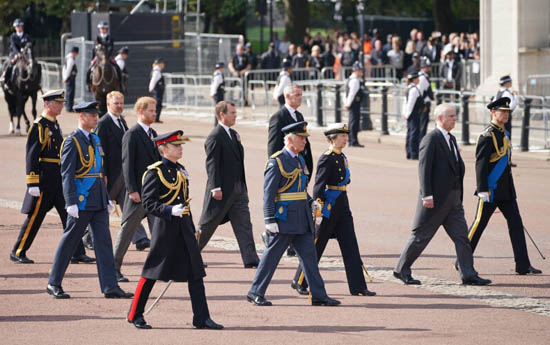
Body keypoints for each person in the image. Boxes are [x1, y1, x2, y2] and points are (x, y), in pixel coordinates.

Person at [126, 131, 223, 330]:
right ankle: (135, 314)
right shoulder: (155, 172)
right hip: (166, 228)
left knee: (196, 273)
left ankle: (202, 317)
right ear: (163, 149)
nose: (180, 148)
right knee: (152, 271)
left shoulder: (181, 169)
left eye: (180, 145)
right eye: (176, 146)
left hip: (184, 228)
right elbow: (149, 203)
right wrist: (169, 210)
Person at [393, 104, 492, 286]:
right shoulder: (431, 139)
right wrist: (427, 195)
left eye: (455, 116)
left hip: (453, 200)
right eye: (451, 116)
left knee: (462, 237)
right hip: (436, 200)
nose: (455, 119)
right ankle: (401, 269)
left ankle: (468, 274)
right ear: (440, 118)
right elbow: (424, 169)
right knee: (421, 237)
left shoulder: (451, 139)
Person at [247, 122, 341, 307]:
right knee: (271, 258)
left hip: (302, 218)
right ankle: (255, 291)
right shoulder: (277, 161)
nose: (305, 142)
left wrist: (310, 201)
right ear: (290, 139)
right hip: (284, 219)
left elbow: (299, 188)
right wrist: (269, 219)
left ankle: (319, 295)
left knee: (310, 259)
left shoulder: (300, 160)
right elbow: (269, 193)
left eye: (305, 138)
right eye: (301, 138)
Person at [47, 101, 133, 299]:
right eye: (91, 115)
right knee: (69, 242)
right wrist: (70, 202)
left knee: (104, 244)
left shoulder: (94, 139)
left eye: (96, 115)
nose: (96, 118)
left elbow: (98, 170)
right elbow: (67, 174)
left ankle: (110, 286)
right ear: (81, 117)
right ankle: (53, 282)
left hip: (98, 199)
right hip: (81, 200)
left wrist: (106, 196)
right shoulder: (72, 141)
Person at [292, 123, 376, 297]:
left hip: (342, 206)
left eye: (346, 136)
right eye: (342, 136)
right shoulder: (327, 157)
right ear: (332, 138)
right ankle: (300, 280)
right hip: (328, 207)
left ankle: (358, 286)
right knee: (317, 245)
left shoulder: (342, 156)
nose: (345, 139)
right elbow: (319, 186)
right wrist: (318, 208)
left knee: (351, 245)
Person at [10, 90, 93, 264]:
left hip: (58, 177)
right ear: (47, 104)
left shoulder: (54, 124)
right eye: (58, 102)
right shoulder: (39, 125)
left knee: (70, 216)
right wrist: (32, 181)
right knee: (35, 217)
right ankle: (18, 251)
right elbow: (32, 155)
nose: (61, 105)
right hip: (45, 179)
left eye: (62, 102)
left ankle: (76, 251)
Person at [466, 97, 542, 275]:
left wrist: (510, 190)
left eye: (508, 112)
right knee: (478, 225)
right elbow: (481, 165)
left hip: (506, 190)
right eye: (502, 111)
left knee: (516, 225)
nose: (506, 114)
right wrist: (482, 189)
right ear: (493, 112)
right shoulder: (486, 136)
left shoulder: (504, 134)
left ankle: (522, 265)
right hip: (491, 190)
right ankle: (462, 260)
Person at [197, 101, 260, 267]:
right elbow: (212, 164)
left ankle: (251, 259)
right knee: (207, 224)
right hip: (221, 190)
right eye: (232, 112)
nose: (235, 115)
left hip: (238, 189)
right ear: (222, 114)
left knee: (244, 224)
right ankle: (190, 255)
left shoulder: (234, 134)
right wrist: (215, 187)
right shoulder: (215, 136)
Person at [91, 91, 150, 260]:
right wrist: (103, 174)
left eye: (122, 103)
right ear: (108, 104)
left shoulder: (122, 121)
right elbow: (99, 150)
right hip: (110, 173)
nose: (119, 106)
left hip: (123, 173)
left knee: (130, 206)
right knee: (101, 207)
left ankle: (140, 238)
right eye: (116, 103)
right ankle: (88, 236)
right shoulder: (103, 123)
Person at [113, 97, 161, 282]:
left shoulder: (153, 133)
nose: (154, 113)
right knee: (127, 232)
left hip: (152, 193)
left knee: (158, 231)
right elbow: (127, 164)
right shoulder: (132, 134)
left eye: (155, 110)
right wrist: (132, 190)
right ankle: (114, 268)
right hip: (137, 194)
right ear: (140, 112)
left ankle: (157, 269)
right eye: (151, 110)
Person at [267, 83, 313, 257]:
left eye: (301, 94)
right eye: (297, 95)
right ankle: (273, 235)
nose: (300, 98)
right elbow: (272, 148)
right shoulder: (278, 117)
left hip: (299, 168)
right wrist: (278, 172)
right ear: (287, 96)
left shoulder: (299, 115)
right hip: (285, 172)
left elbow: (305, 145)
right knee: (287, 207)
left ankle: (294, 242)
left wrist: (307, 167)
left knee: (299, 205)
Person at [2, 18, 31, 92]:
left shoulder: (26, 36)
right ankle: (7, 81)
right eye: (17, 26)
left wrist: (25, 50)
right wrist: (18, 53)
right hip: (14, 54)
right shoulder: (13, 36)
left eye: (19, 26)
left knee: (32, 65)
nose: (18, 27)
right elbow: (13, 46)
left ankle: (34, 83)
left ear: (22, 26)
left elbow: (28, 44)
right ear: (15, 28)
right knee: (10, 65)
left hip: (25, 55)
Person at [344, 61, 365, 148]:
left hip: (353, 103)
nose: (361, 72)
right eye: (360, 70)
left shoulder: (352, 79)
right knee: (354, 122)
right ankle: (353, 140)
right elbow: (352, 93)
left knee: (352, 122)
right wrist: (348, 104)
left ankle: (352, 140)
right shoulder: (355, 81)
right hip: (354, 103)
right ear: (355, 70)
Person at [402, 72, 423, 160]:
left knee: (410, 133)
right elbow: (410, 103)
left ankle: (409, 152)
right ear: (414, 79)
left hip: (410, 114)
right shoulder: (414, 89)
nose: (418, 80)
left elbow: (405, 103)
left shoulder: (409, 88)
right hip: (413, 114)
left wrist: (405, 113)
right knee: (414, 133)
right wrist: (408, 114)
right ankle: (413, 153)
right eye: (417, 78)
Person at [495, 75, 518, 141]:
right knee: (506, 138)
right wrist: (516, 96)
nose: (511, 83)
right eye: (510, 81)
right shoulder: (506, 93)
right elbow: (512, 106)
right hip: (505, 118)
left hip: (498, 118)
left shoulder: (499, 92)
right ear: (506, 83)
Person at [418, 57, 434, 139]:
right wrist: (423, 105)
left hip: (426, 103)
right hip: (424, 104)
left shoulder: (425, 77)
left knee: (424, 124)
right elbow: (420, 93)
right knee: (422, 126)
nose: (428, 68)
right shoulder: (422, 78)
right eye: (426, 67)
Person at [148, 58, 165, 123]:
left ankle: (156, 118)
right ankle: (156, 118)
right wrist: (151, 87)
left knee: (157, 104)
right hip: (157, 91)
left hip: (156, 91)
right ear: (159, 64)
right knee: (158, 104)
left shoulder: (156, 70)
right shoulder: (157, 71)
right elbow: (153, 80)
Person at [63, 47, 79, 112]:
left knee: (68, 92)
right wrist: (66, 77)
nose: (77, 54)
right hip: (70, 78)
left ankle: (68, 106)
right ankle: (69, 107)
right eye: (76, 53)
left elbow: (64, 69)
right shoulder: (71, 59)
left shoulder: (68, 58)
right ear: (74, 52)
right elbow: (68, 69)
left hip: (68, 78)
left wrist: (64, 77)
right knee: (70, 92)